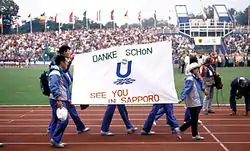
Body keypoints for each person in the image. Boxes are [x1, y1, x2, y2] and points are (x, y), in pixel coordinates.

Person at [47, 45, 90, 134]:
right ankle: (54, 132)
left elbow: (65, 70)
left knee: (66, 110)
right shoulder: (57, 63)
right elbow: (62, 72)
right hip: (62, 90)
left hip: (65, 90)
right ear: (64, 52)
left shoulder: (63, 62)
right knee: (64, 112)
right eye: (68, 51)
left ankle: (80, 127)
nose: (69, 53)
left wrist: (70, 61)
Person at [178, 62, 205, 140]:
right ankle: (182, 129)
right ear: (193, 70)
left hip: (196, 100)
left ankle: (194, 134)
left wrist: (200, 78)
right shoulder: (190, 78)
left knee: (194, 118)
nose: (198, 70)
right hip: (193, 100)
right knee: (194, 119)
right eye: (196, 69)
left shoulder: (195, 77)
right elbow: (187, 89)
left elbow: (200, 84)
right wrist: (181, 98)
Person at [48, 55, 70, 148]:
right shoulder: (55, 73)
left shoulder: (58, 71)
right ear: (61, 62)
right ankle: (55, 139)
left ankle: (55, 139)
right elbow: (54, 86)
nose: (67, 63)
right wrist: (58, 99)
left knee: (56, 120)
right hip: (57, 100)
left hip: (60, 99)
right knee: (64, 120)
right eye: (66, 61)